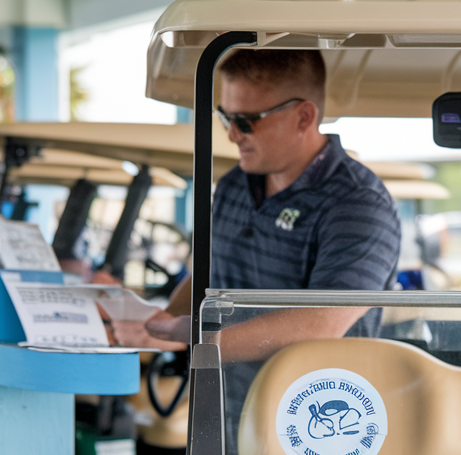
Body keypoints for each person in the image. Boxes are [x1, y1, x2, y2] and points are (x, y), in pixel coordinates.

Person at [113, 49, 401, 358]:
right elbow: (211, 274)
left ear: (303, 117)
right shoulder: (233, 185)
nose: (233, 135)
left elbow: (320, 323)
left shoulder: (359, 205)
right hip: (222, 403)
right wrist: (158, 321)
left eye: (247, 121)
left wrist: (186, 335)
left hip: (309, 401)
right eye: (225, 118)